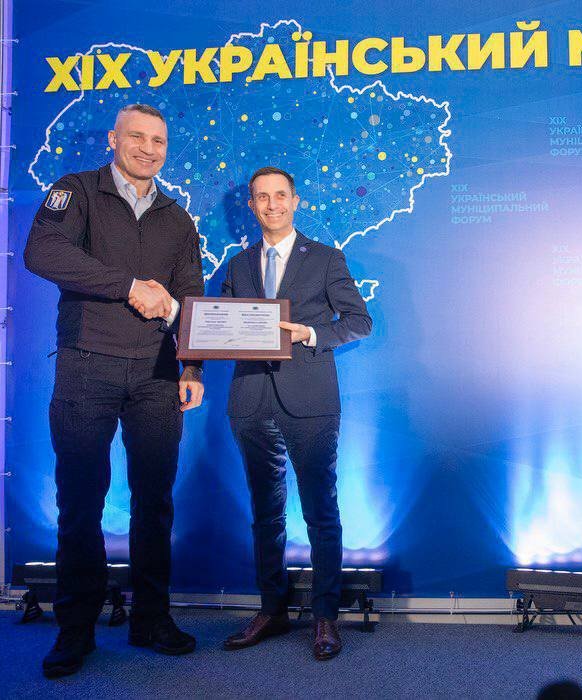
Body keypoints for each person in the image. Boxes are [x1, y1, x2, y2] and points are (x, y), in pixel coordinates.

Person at [23, 103, 205, 678]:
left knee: (155, 502)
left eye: (158, 140)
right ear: (113, 139)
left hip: (157, 375)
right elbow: (42, 252)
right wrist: (128, 286)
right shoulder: (76, 191)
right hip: (87, 367)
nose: (148, 149)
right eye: (137, 137)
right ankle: (75, 629)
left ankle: (151, 619)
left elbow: (190, 297)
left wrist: (193, 368)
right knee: (81, 501)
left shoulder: (178, 218)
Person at [220, 166, 371, 660]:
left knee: (320, 512)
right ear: (251, 205)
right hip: (250, 399)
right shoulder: (238, 265)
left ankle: (325, 615)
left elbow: (360, 321)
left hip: (309, 400)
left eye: (280, 195)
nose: (272, 205)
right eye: (262, 197)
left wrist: (311, 334)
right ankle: (272, 609)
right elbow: (221, 326)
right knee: (265, 514)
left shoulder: (326, 258)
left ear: (295, 200)